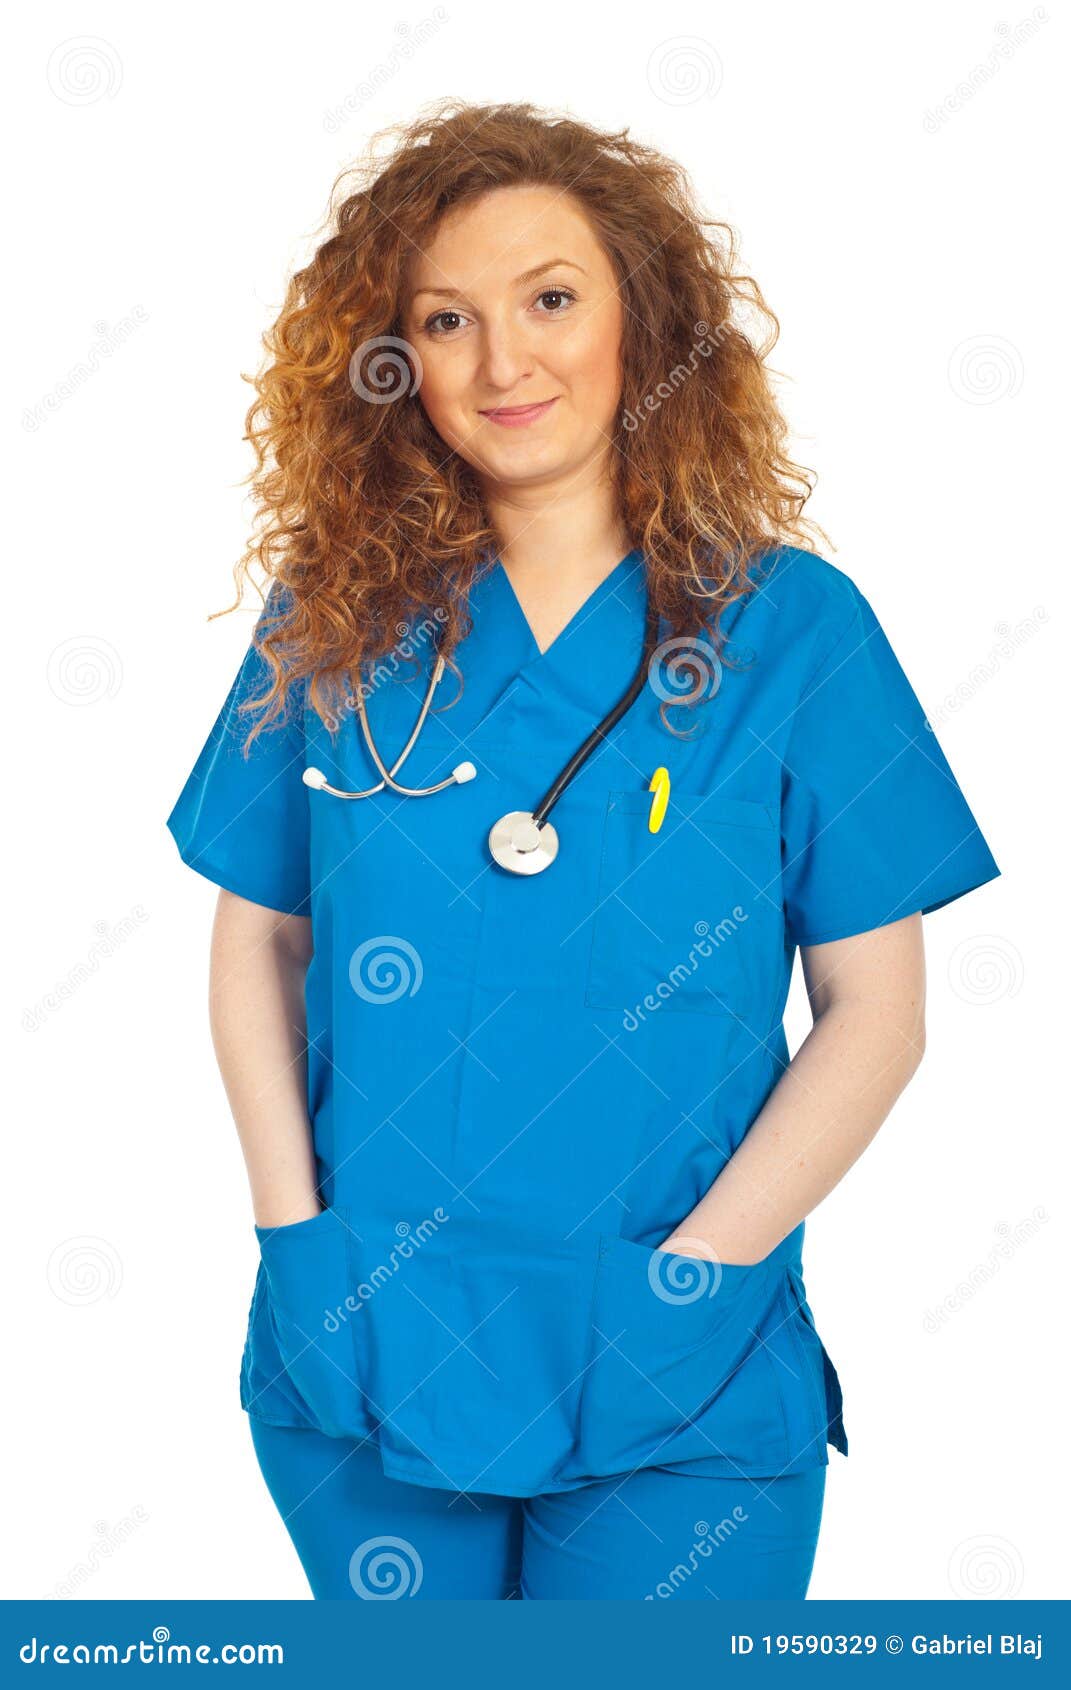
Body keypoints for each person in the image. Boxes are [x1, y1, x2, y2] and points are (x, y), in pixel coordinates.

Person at [166, 100, 1000, 1600]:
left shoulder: (795, 633)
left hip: (682, 1366)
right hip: (369, 1340)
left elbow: (878, 1013)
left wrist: (703, 1273)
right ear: (395, 361)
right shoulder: (333, 623)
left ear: (644, 318)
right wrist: (294, 1242)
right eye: (445, 319)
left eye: (552, 298)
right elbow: (257, 939)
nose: (504, 363)